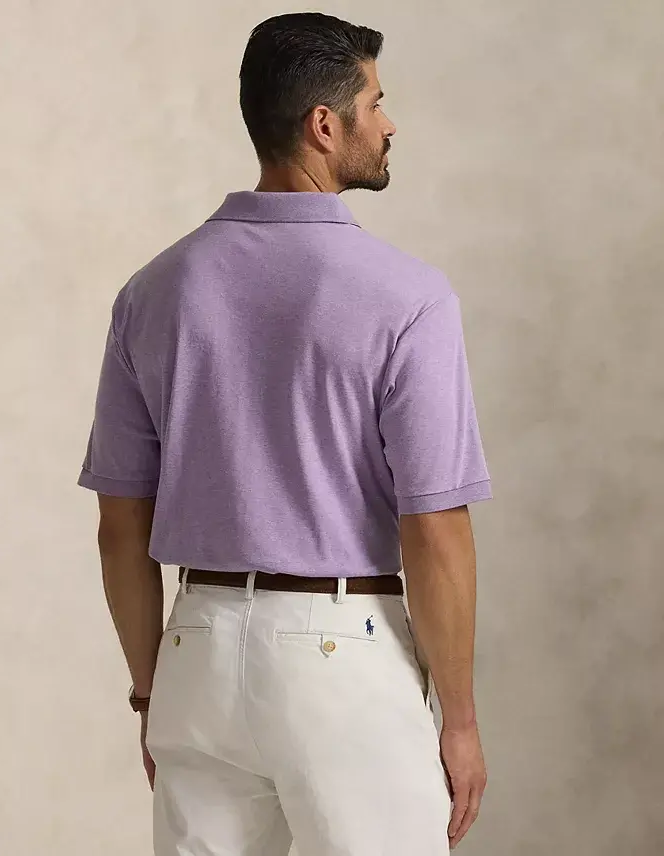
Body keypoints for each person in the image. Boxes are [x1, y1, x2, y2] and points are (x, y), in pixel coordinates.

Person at [78, 12, 491, 856]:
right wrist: (459, 719)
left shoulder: (152, 293)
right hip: (341, 659)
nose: (390, 123)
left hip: (194, 650)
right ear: (324, 125)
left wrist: (153, 693)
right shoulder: (408, 299)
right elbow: (435, 529)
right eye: (376, 102)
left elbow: (120, 526)